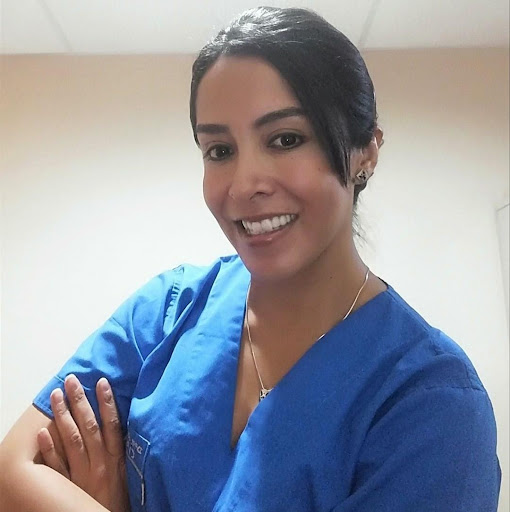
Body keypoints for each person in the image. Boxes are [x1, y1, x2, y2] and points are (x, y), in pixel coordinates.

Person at [0, 6, 501, 512]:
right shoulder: (168, 312)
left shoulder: (430, 403)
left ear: (365, 152)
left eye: (286, 140)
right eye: (219, 150)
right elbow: (14, 471)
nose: (244, 186)